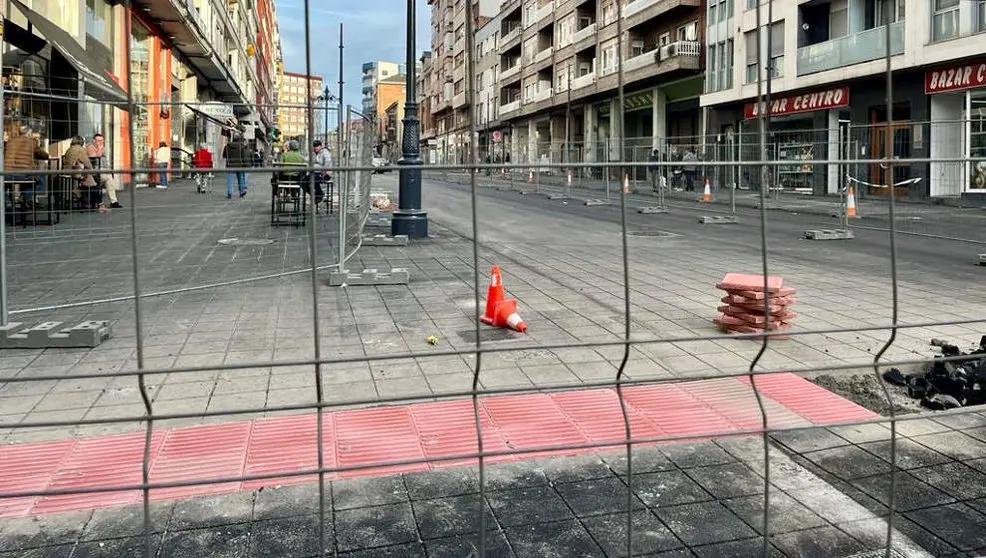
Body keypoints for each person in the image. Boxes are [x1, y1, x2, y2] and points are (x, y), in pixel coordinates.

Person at [3, 124, 49, 204]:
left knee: (28, 177)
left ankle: (12, 200)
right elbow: (44, 155)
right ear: (28, 132)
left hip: (7, 175)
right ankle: (26, 198)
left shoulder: (10, 141)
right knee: (40, 179)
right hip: (23, 175)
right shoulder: (32, 142)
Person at [63, 136, 106, 212]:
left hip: (68, 172)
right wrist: (92, 171)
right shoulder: (80, 149)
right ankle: (100, 205)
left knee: (91, 181)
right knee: (94, 183)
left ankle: (79, 192)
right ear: (81, 142)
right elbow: (87, 162)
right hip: (77, 173)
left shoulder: (69, 149)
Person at [86, 133, 122, 208]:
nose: (100, 142)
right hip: (94, 171)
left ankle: (114, 202)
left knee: (110, 180)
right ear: (94, 141)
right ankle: (110, 201)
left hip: (103, 170)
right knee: (108, 178)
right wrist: (99, 148)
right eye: (98, 140)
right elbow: (95, 158)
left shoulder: (103, 147)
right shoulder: (90, 147)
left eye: (102, 140)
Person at [222, 134, 249, 198]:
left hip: (230, 165)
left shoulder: (227, 146)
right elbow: (243, 157)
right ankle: (241, 192)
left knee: (230, 180)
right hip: (239, 165)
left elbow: (224, 155)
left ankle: (230, 193)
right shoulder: (241, 146)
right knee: (241, 179)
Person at [311, 140, 330, 205]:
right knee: (304, 180)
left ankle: (319, 194)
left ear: (321, 146)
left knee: (313, 179)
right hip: (315, 173)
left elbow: (328, 163)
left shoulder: (325, 152)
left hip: (325, 174)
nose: (315, 148)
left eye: (317, 146)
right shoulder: (313, 153)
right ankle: (318, 194)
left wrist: (323, 172)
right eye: (314, 146)